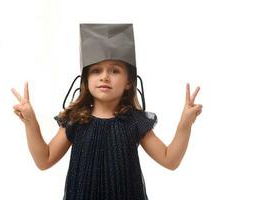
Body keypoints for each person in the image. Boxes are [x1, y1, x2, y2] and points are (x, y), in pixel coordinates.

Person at [11, 24, 203, 200]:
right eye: (96, 70)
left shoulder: (134, 122)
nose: (104, 77)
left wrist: (185, 123)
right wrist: (30, 120)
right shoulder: (76, 120)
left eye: (114, 71)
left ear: (129, 82)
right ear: (86, 79)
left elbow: (170, 160)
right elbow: (44, 159)